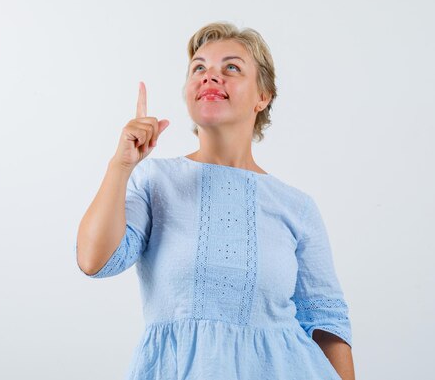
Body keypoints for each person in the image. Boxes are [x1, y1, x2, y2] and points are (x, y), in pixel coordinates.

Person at [75, 21, 355, 380]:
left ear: (262, 96)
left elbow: (326, 321)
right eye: (199, 69)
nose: (210, 77)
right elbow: (94, 260)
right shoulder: (155, 180)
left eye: (231, 68)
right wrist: (121, 165)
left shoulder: (296, 207)